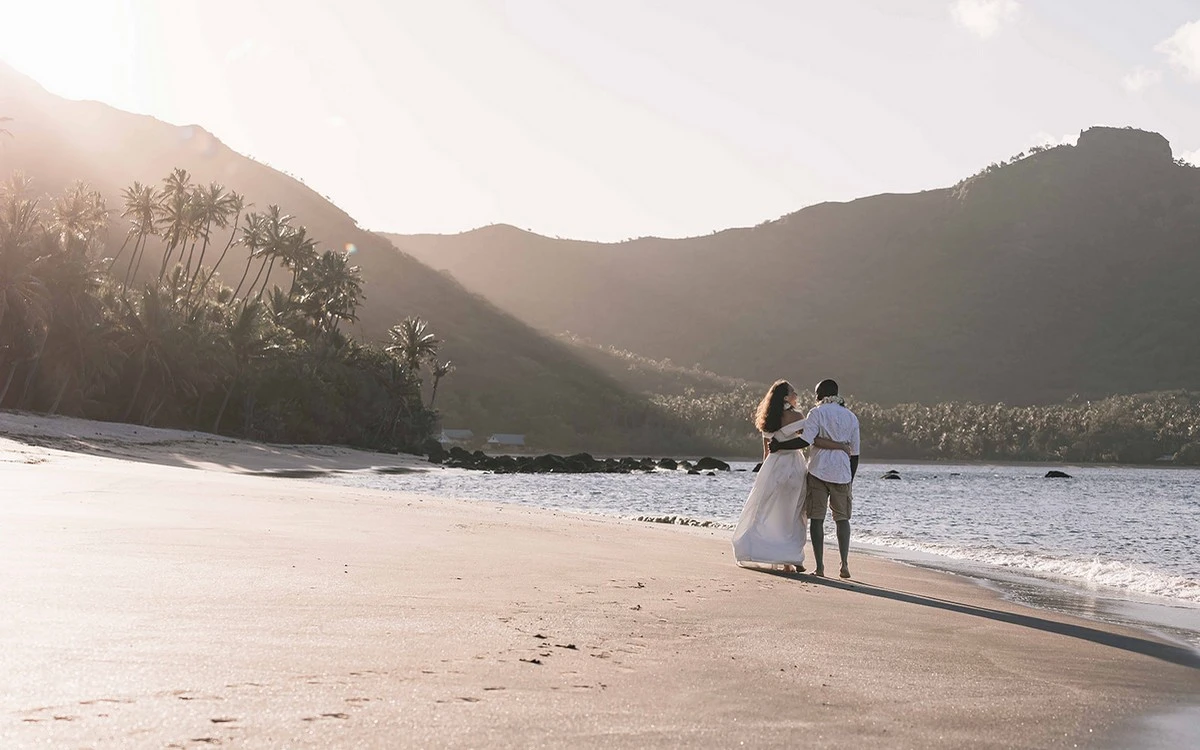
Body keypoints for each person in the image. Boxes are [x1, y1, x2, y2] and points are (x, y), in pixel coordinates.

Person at [731, 380, 852, 571]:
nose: (797, 395)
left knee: (769, 510)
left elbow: (767, 452)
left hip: (773, 467)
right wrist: (840, 446)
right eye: (793, 392)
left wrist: (764, 473)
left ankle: (764, 549)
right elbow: (811, 440)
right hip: (793, 467)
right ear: (786, 397)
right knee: (794, 512)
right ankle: (790, 558)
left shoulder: (766, 418)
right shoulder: (797, 416)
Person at [770, 378, 860, 578]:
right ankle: (844, 564)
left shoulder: (817, 412)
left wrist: (779, 446)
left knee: (817, 519)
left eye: (816, 393)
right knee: (842, 519)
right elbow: (855, 453)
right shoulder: (851, 417)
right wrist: (850, 479)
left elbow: (804, 441)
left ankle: (820, 568)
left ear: (821, 395)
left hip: (818, 470)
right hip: (842, 472)